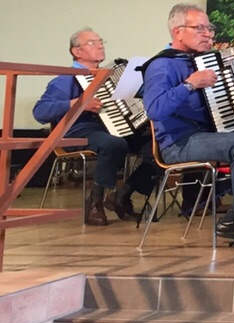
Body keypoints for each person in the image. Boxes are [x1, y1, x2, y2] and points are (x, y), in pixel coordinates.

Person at [141, 4, 234, 252]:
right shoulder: (162, 65)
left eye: (209, 28)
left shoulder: (204, 61)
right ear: (178, 31)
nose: (208, 34)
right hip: (179, 143)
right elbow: (155, 109)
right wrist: (190, 84)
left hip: (207, 136)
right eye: (199, 28)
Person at [33, 28, 156, 225]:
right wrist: (78, 103)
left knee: (162, 143)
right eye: (92, 42)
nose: (100, 45)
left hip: (113, 129)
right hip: (79, 131)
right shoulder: (66, 79)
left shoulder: (110, 75)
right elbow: (40, 111)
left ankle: (122, 194)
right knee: (113, 144)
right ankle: (95, 203)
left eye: (101, 41)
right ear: (76, 51)